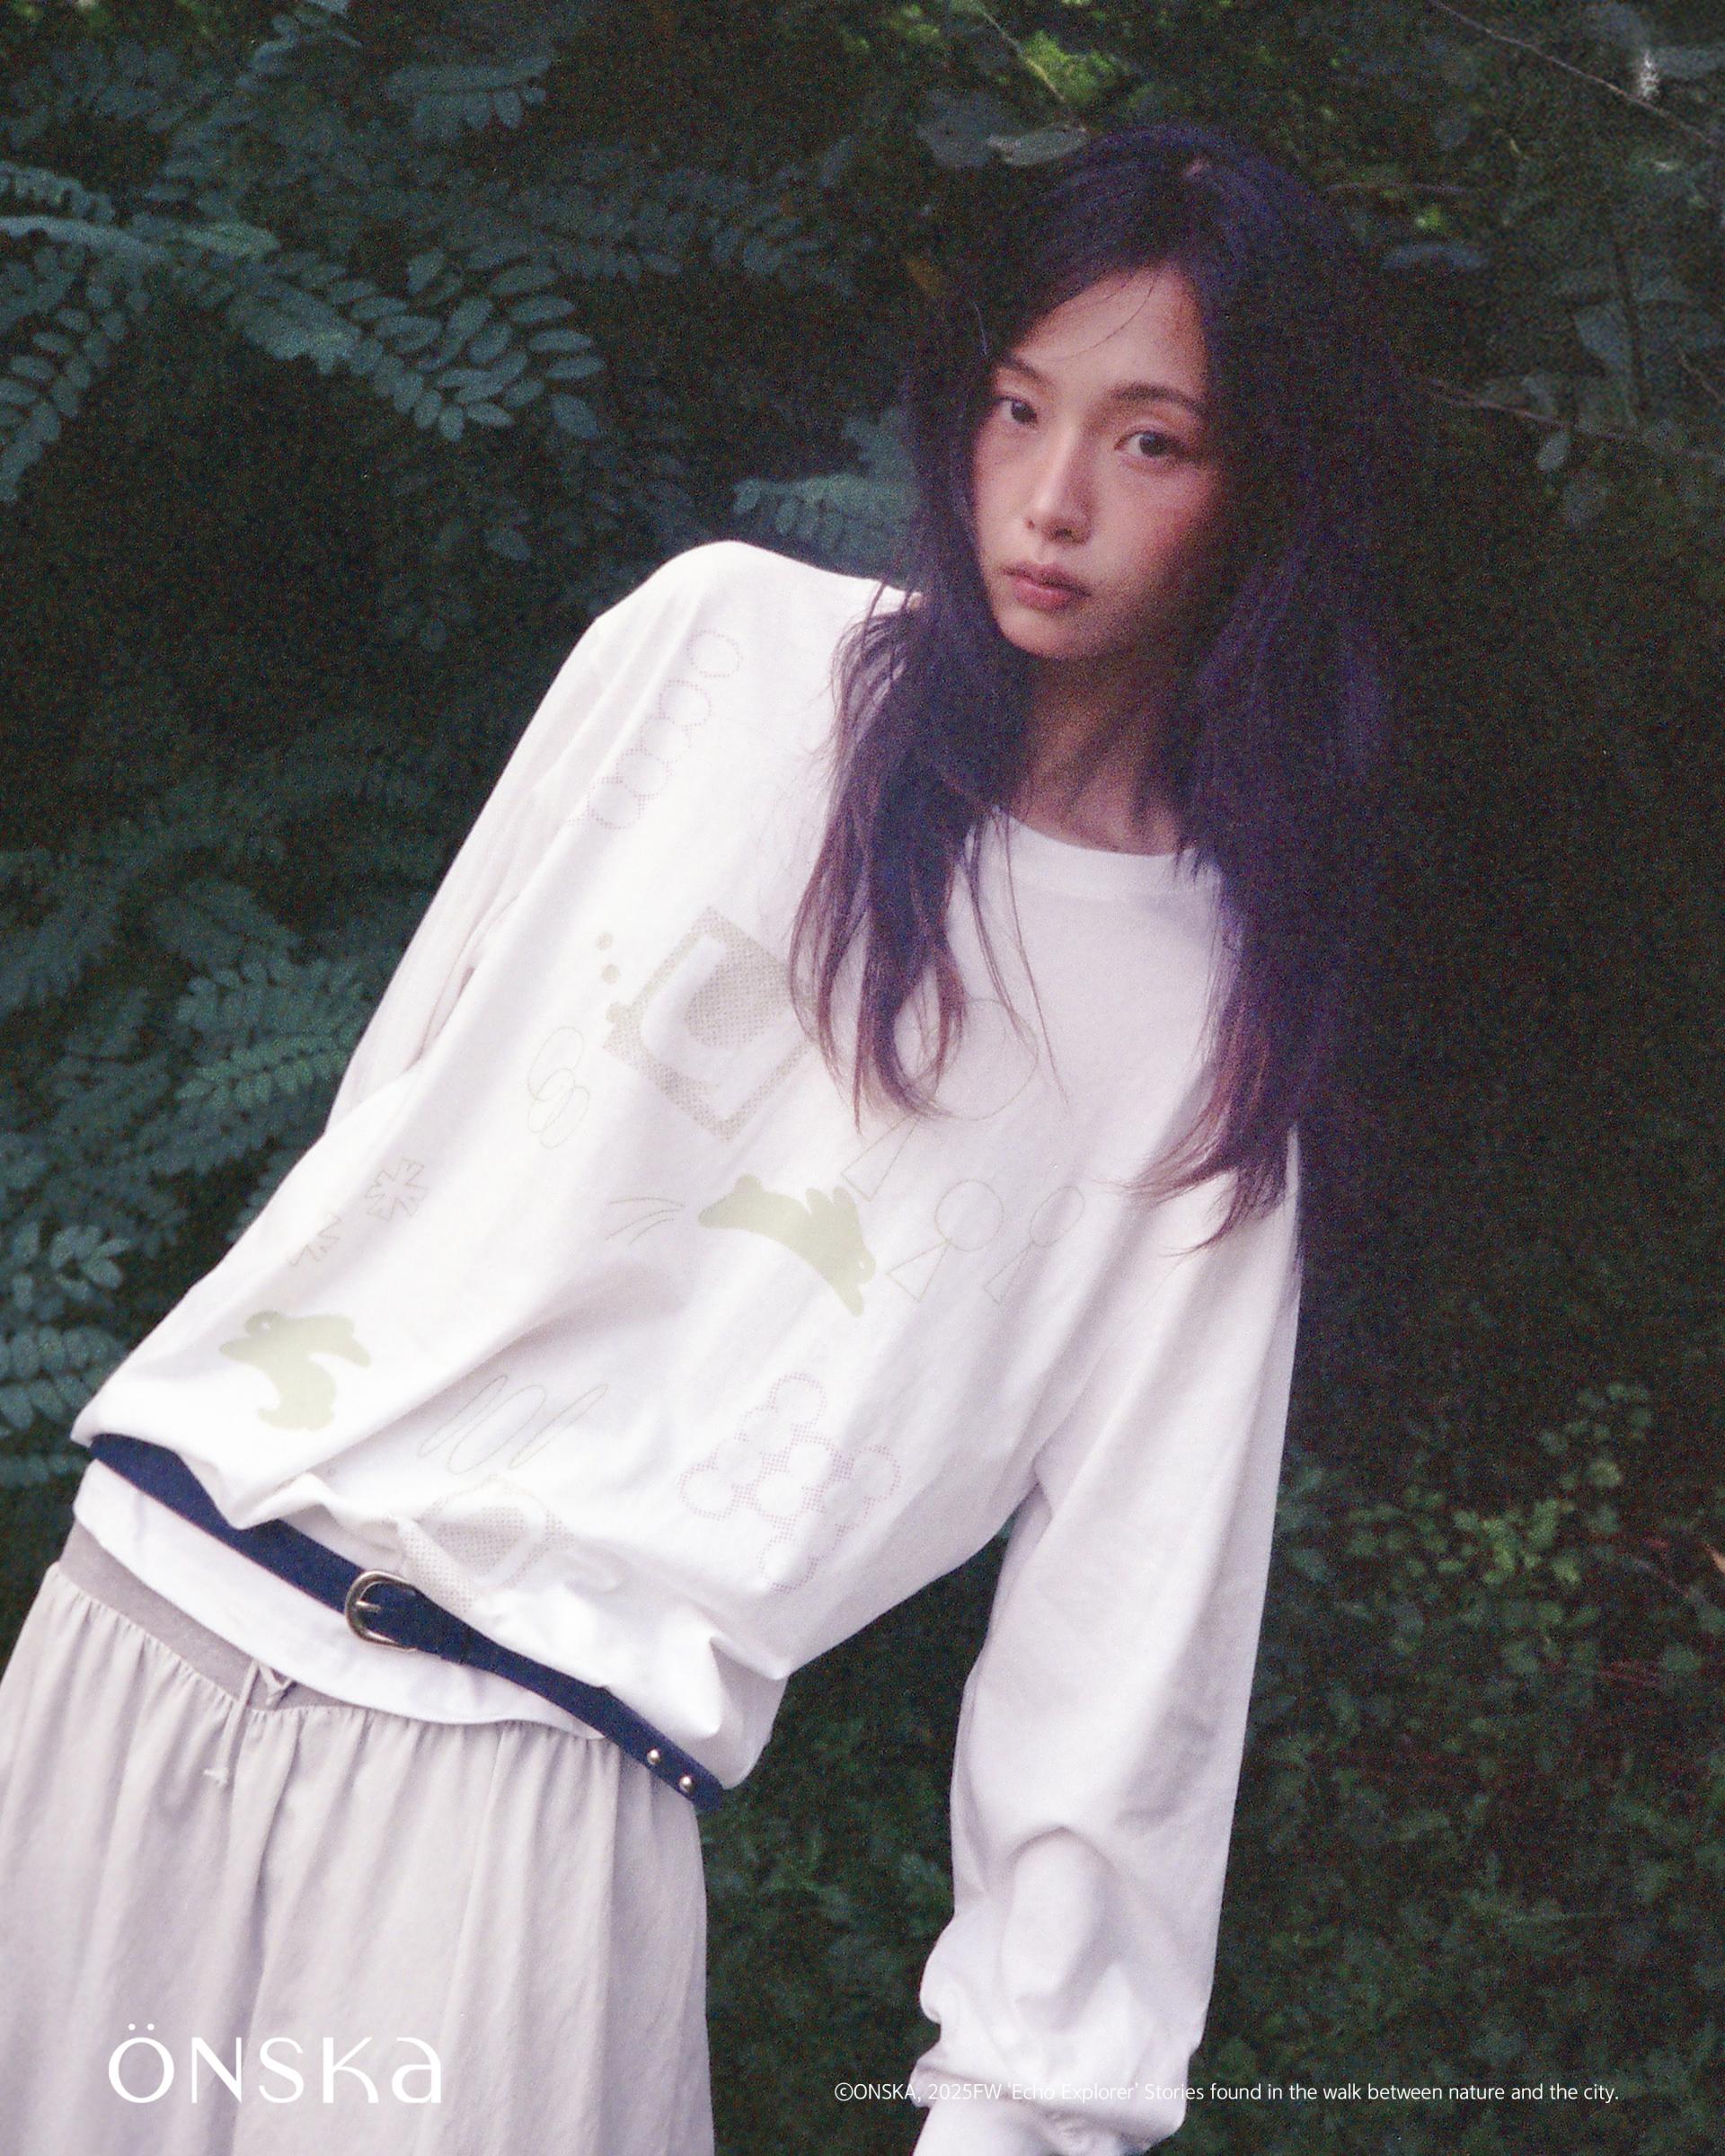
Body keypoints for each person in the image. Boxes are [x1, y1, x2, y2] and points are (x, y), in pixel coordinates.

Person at [0, 117, 1420, 2154]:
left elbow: (1131, 1641)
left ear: (1268, 491)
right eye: (1018, 406)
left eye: (1152, 442)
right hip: (138, 1623)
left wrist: (1024, 2112)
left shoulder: (1208, 1026)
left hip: (515, 1796)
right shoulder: (716, 649)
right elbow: (398, 1121)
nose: (1050, 499)